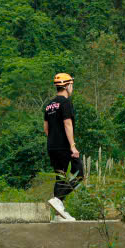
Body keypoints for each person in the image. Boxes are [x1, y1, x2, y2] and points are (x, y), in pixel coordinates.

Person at [43, 72, 81, 221]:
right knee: (80, 174)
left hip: (52, 146)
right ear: (67, 86)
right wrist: (72, 145)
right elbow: (67, 123)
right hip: (65, 146)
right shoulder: (66, 103)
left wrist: (54, 140)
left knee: (60, 178)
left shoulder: (49, 105)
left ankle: (59, 214)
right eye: (71, 85)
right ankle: (58, 200)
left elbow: (46, 128)